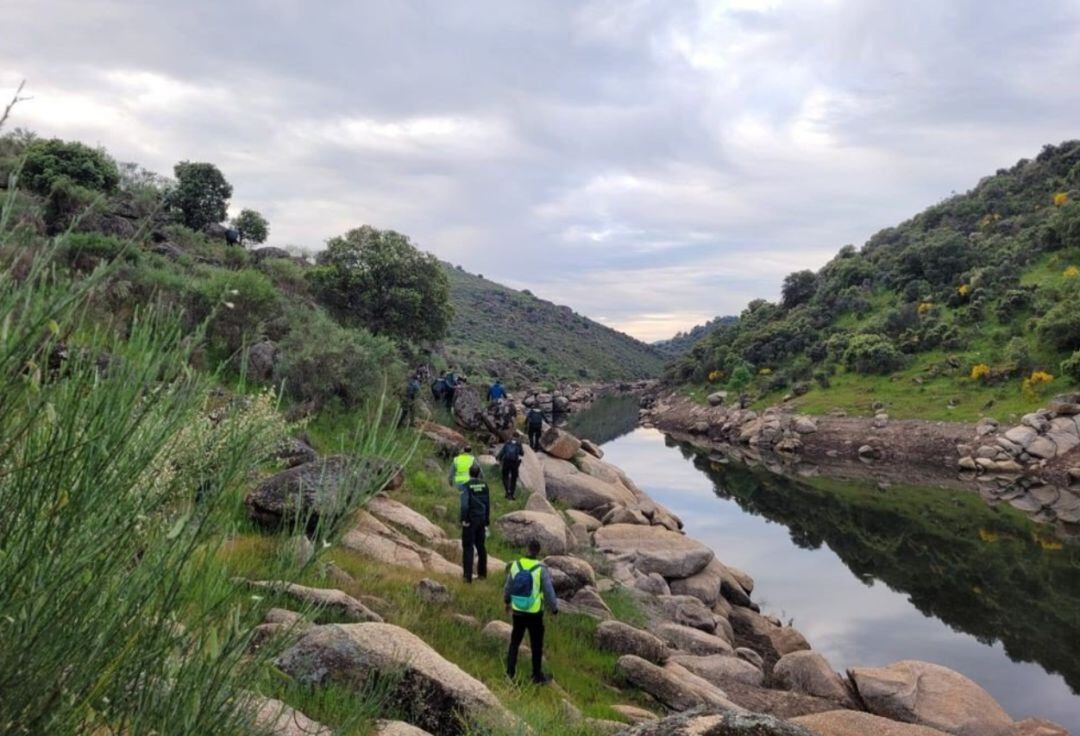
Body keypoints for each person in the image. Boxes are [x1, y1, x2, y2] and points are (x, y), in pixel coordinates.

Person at [504, 538, 558, 684]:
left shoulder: (516, 565)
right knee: (536, 644)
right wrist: (554, 609)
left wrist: (507, 602)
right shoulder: (541, 569)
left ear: (527, 549)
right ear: (538, 551)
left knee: (515, 642)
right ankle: (536, 676)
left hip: (518, 611)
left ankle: (509, 673)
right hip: (534, 613)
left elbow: (508, 587)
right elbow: (549, 592)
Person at [460, 465, 490, 583]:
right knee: (481, 546)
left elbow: (464, 505)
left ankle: (467, 576)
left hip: (471, 519)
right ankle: (482, 574)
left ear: (469, 473)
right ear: (478, 473)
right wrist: (487, 519)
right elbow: (488, 503)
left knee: (468, 547)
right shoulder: (484, 485)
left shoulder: (466, 485)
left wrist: (464, 519)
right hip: (482, 519)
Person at [496, 435, 524, 500]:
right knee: (514, 478)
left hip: (506, 462)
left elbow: (503, 451)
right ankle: (511, 493)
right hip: (514, 463)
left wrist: (499, 458)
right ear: (517, 438)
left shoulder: (507, 443)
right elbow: (522, 453)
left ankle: (507, 491)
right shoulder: (518, 444)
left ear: (512, 437)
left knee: (505, 476)